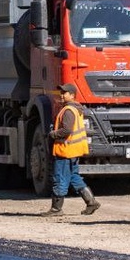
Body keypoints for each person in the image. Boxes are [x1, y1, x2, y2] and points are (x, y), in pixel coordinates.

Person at [44, 83, 100, 216]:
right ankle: (91, 202)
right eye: (61, 93)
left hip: (65, 150)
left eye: (64, 93)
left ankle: (56, 209)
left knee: (60, 177)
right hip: (73, 150)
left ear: (72, 95)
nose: (61, 95)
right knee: (74, 177)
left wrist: (53, 134)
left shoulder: (68, 110)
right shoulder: (75, 109)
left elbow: (66, 130)